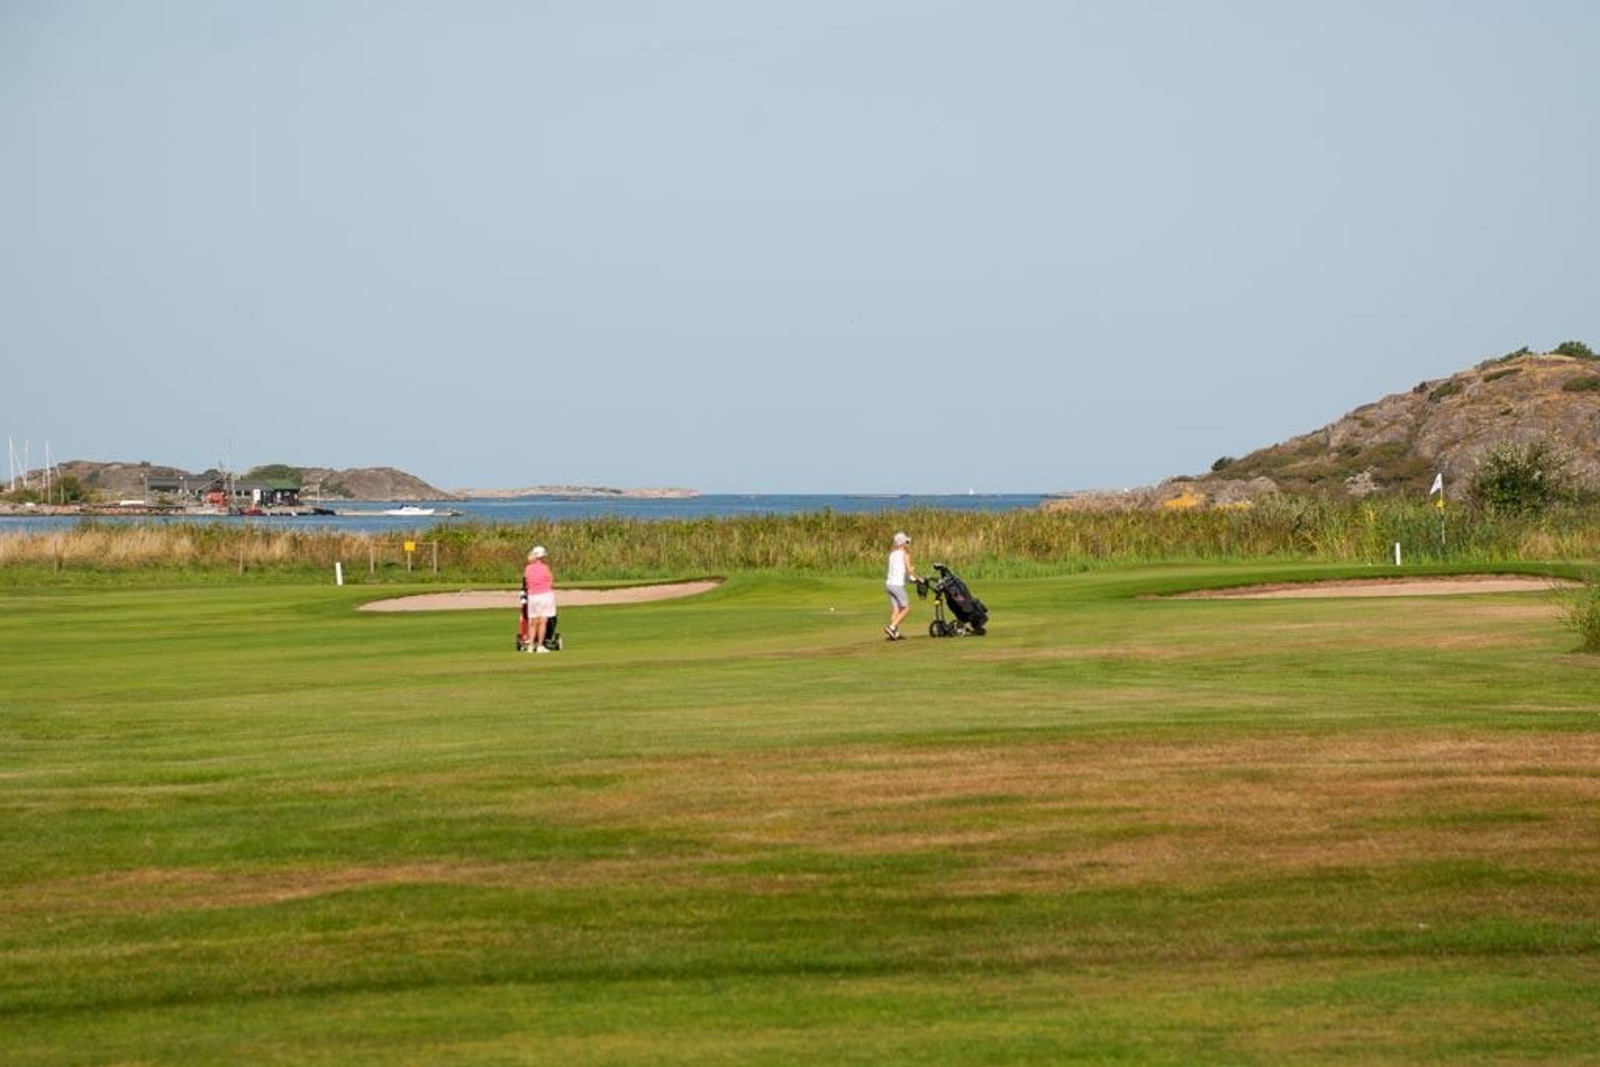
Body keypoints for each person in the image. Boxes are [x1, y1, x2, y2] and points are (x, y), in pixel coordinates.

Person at [884, 531, 919, 640]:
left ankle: (894, 633)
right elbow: (909, 571)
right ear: (903, 543)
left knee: (896, 610)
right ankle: (891, 627)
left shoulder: (892, 554)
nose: (909, 544)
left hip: (889, 585)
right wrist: (919, 578)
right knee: (906, 608)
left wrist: (910, 578)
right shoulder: (905, 554)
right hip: (897, 585)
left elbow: (899, 571)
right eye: (907, 542)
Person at [522, 545, 556, 653]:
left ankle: (531, 645)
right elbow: (551, 583)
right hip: (545, 595)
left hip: (533, 596)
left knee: (533, 622)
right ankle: (540, 645)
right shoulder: (545, 568)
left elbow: (526, 583)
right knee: (543, 621)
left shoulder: (527, 568)